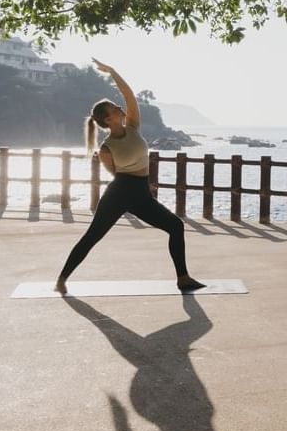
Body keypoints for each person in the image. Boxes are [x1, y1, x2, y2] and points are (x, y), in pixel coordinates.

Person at [55, 59, 206, 293]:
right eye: (114, 109)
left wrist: (113, 72)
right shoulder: (106, 148)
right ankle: (61, 279)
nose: (119, 108)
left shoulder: (133, 126)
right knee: (92, 236)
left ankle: (183, 278)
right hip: (120, 192)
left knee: (175, 226)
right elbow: (116, 174)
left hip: (140, 192)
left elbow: (129, 96)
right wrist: (133, 184)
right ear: (108, 120)